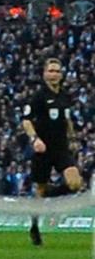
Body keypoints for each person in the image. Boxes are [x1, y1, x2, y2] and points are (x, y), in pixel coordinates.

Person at [21, 55, 82, 246]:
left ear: (62, 75)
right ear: (44, 74)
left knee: (75, 183)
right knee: (39, 187)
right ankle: (35, 227)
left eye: (57, 71)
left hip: (61, 148)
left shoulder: (65, 96)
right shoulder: (39, 96)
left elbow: (67, 119)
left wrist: (72, 138)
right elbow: (26, 120)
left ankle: (49, 195)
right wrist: (35, 139)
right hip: (43, 149)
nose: (54, 74)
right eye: (51, 71)